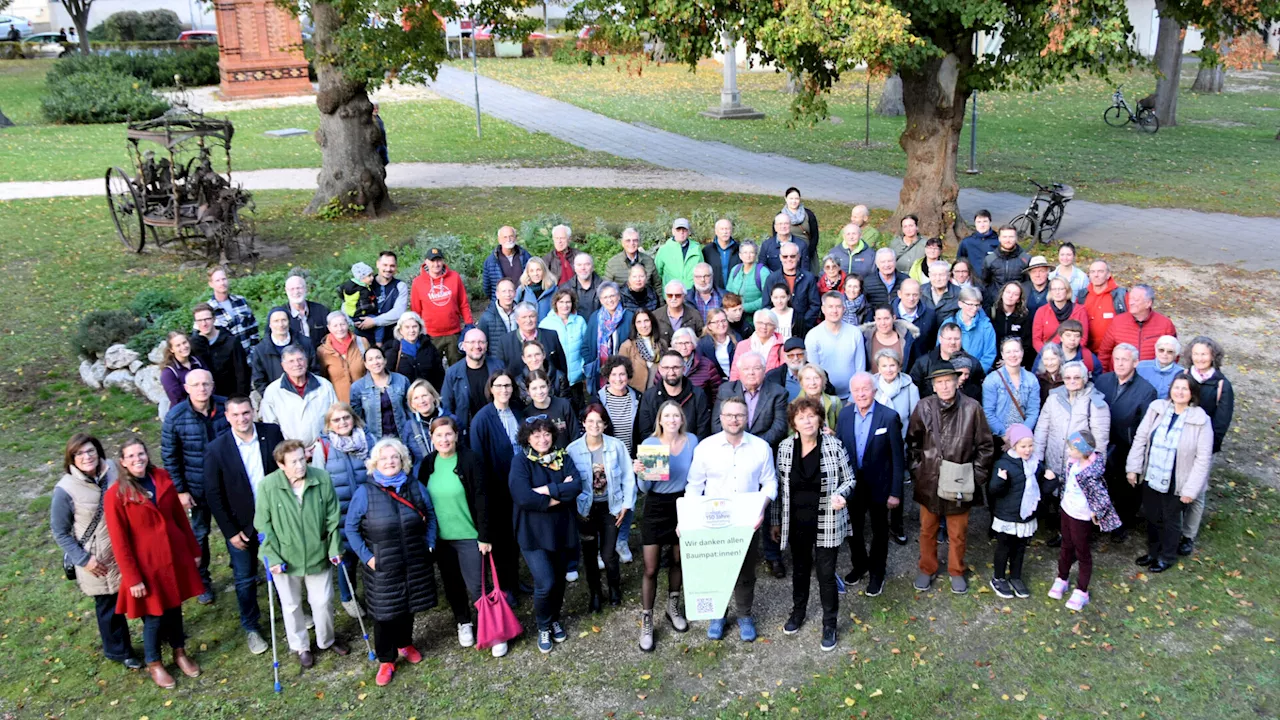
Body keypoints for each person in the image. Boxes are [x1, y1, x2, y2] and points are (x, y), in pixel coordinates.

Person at [103, 438, 203, 689]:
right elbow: (119, 541)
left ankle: (179, 652)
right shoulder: (116, 494)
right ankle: (154, 662)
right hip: (147, 565)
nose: (138, 459)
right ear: (123, 462)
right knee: (154, 616)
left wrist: (192, 548)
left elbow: (179, 517)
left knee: (175, 608)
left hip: (173, 556)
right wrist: (133, 577)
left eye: (141, 454)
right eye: (131, 456)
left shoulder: (161, 477)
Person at [685, 395, 779, 643]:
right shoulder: (705, 447)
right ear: (721, 417)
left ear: (746, 417)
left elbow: (770, 483)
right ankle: (718, 614)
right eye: (729, 415)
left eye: (739, 415)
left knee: (746, 570)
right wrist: (689, 519)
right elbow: (695, 485)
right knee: (716, 571)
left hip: (747, 520)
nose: (734, 419)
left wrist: (761, 508)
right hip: (712, 521)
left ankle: (745, 615)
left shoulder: (761, 447)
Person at [345, 438, 438, 686]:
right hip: (382, 563)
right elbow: (351, 529)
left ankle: (405, 643)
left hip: (413, 559)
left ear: (402, 461)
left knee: (408, 604)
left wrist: (429, 543)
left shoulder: (415, 486)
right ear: (376, 463)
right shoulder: (365, 492)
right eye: (384, 458)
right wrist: (368, 558)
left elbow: (430, 515)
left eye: (394, 457)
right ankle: (386, 659)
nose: (389, 462)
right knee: (384, 613)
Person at [51, 434, 142, 670]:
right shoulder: (65, 490)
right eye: (79, 453)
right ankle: (120, 651)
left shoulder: (113, 468)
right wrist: (84, 560)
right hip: (98, 559)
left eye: (90, 451)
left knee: (143, 592)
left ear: (99, 451)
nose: (86, 457)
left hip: (130, 547)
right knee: (109, 605)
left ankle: (159, 632)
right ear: (71, 458)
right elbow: (60, 532)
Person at [256, 440, 348, 667]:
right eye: (293, 461)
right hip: (284, 558)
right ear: (281, 465)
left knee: (323, 601)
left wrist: (335, 546)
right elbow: (263, 526)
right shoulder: (268, 486)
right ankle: (301, 646)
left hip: (318, 552)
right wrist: (272, 557)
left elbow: (332, 517)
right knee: (291, 605)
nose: (300, 465)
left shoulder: (321, 478)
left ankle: (326, 640)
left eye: (301, 458)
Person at [772, 396, 855, 650]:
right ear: (793, 423)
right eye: (801, 417)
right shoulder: (785, 448)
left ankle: (829, 623)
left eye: (811, 416)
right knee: (799, 570)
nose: (807, 421)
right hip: (796, 521)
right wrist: (775, 522)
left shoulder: (834, 445)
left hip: (826, 519)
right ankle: (798, 613)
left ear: (820, 418)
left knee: (826, 574)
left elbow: (849, 479)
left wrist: (841, 494)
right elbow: (779, 489)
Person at [203, 398, 284, 653]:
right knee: (245, 578)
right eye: (235, 414)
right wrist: (230, 531)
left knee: (282, 569)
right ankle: (251, 627)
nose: (242, 419)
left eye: (246, 413)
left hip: (275, 518)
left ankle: (293, 611)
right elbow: (214, 494)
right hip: (241, 526)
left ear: (254, 412)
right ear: (227, 417)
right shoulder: (217, 448)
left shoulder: (271, 433)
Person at [419, 417, 505, 656]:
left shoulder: (470, 459)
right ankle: (464, 622)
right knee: (452, 584)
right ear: (432, 438)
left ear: (456, 435)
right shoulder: (428, 464)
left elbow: (482, 499)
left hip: (470, 535)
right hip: (442, 539)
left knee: (478, 585)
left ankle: (495, 631)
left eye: (448, 434)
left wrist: (484, 536)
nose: (444, 440)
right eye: (439, 436)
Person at [906, 367, 995, 594]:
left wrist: (974, 478)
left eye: (948, 381)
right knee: (927, 530)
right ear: (933, 386)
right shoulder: (924, 406)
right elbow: (913, 443)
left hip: (960, 482)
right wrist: (919, 471)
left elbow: (985, 446)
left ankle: (956, 570)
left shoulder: (972, 408)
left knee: (957, 533)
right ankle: (927, 568)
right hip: (930, 481)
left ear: (958, 382)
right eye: (940, 382)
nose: (944, 386)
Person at [1126, 375, 1214, 574]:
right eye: (1176, 387)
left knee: (1170, 519)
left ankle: (1167, 556)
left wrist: (1190, 489)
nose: (1179, 392)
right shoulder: (1157, 409)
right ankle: (1153, 552)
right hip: (1152, 472)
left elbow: (1203, 459)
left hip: (1178, 478)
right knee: (1151, 515)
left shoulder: (1201, 420)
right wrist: (1133, 467)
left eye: (1185, 389)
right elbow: (1141, 437)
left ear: (1192, 394)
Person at [509, 418, 583, 653]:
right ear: (527, 438)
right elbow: (523, 497)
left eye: (546, 434)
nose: (543, 439)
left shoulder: (563, 458)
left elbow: (577, 486)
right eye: (536, 435)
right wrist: (560, 493)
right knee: (546, 582)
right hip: (532, 532)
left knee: (559, 581)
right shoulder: (520, 462)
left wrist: (546, 490)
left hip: (561, 529)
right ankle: (543, 625)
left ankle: (554, 619)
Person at [633, 400, 698, 651]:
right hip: (656, 506)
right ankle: (647, 618)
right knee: (650, 567)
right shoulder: (650, 445)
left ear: (682, 419)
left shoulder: (692, 441)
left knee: (678, 560)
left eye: (676, 416)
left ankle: (673, 606)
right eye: (667, 416)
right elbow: (645, 488)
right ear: (659, 420)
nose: (671, 420)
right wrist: (642, 473)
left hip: (683, 504)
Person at [160, 369, 226, 604]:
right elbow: (170, 456)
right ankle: (202, 581)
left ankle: (243, 571)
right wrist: (180, 490)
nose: (201, 389)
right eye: (196, 385)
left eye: (206, 384)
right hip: (196, 488)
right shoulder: (176, 417)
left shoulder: (226, 408)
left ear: (212, 385)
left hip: (227, 484)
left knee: (236, 529)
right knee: (200, 535)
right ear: (186, 389)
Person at [836, 373, 905, 597]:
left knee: (879, 531)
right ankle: (860, 565)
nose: (861, 394)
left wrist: (896, 492)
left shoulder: (889, 417)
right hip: (852, 486)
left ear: (874, 390)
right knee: (853, 530)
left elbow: (897, 457)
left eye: (866, 389)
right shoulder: (845, 415)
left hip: (880, 486)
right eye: (856, 390)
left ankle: (877, 573)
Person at [1033, 360, 1111, 545]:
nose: (1072, 381)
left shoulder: (1096, 402)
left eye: (1077, 377)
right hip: (1055, 458)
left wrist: (1095, 468)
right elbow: (1042, 429)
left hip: (1080, 464)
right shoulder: (1053, 398)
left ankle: (1080, 538)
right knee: (1060, 499)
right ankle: (1063, 534)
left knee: (1079, 501)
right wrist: (1037, 457)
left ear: (1084, 379)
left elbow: (1100, 440)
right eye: (1068, 377)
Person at [568, 404, 636, 611]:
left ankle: (614, 588)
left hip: (610, 507)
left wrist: (626, 505)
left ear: (605, 424)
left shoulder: (617, 446)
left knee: (608, 554)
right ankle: (595, 594)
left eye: (599, 421)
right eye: (590, 421)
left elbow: (628, 476)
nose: (594, 425)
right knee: (589, 556)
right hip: (585, 511)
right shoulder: (573, 450)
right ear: (583, 423)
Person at [309, 402, 371, 618]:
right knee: (347, 557)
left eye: (346, 417)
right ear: (329, 424)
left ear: (353, 418)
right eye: (336, 420)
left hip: (368, 505)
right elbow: (316, 480)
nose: (342, 422)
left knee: (371, 550)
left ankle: (374, 594)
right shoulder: (323, 446)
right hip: (341, 510)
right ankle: (348, 596)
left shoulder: (368, 438)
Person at [1048, 430, 1120, 611]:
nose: (1069, 451)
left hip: (1081, 515)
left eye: (1072, 449)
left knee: (1082, 551)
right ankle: (1062, 577)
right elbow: (1068, 482)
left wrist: (1097, 511)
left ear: (1084, 452)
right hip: (1066, 509)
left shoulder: (1091, 472)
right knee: (1066, 544)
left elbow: (1102, 496)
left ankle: (1082, 590)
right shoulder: (1072, 463)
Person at [1093, 344, 1157, 542]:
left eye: (1125, 360)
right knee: (1101, 485)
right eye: (1117, 359)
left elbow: (1145, 429)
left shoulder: (1147, 391)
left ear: (1135, 362)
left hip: (1126, 446)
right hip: (1101, 442)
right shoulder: (1102, 381)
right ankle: (1100, 520)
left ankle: (1121, 525)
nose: (1120, 364)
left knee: (1125, 490)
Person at [469, 371, 525, 590]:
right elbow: (479, 460)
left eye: (508, 385)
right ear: (490, 389)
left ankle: (515, 579)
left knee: (516, 535)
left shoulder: (518, 412)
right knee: (502, 539)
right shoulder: (482, 419)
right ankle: (505, 586)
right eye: (499, 385)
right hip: (497, 488)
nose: (504, 390)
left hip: (520, 483)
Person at [1180, 335, 1234, 554]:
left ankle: (1188, 535)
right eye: (1196, 354)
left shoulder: (1221, 384)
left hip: (1203, 445)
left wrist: (1208, 450)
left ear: (1213, 356)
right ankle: (1172, 527)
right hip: (1179, 442)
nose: (1200, 358)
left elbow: (1221, 422)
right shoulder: (1183, 376)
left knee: (1197, 490)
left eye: (1204, 354)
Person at [986, 424, 1044, 600]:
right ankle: (998, 577)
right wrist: (1000, 481)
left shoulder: (1036, 464)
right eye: (1023, 446)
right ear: (1014, 446)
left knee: (1020, 549)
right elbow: (994, 491)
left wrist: (1050, 480)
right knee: (1004, 547)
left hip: (1025, 516)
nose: (1027, 450)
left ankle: (1016, 577)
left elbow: (1042, 490)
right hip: (1008, 516)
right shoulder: (1003, 464)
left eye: (1030, 445)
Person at [873, 348, 916, 543]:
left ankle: (897, 525)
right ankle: (879, 524)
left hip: (901, 444)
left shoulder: (910, 388)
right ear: (878, 367)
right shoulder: (871, 385)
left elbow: (915, 419)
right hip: (876, 445)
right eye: (884, 365)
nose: (889, 369)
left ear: (899, 366)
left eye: (892, 365)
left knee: (896, 484)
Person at [260, 345, 340, 446]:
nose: (297, 364)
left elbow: (336, 417)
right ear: (283, 366)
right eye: (291, 361)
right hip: (291, 453)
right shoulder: (272, 392)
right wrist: (295, 450)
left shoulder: (324, 385)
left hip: (325, 448)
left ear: (306, 361)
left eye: (300, 359)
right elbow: (271, 428)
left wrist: (323, 446)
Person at [410, 247, 473, 364]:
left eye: (439, 260)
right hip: (431, 334)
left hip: (453, 332)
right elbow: (416, 310)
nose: (436, 264)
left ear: (443, 261)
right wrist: (417, 331)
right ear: (426, 262)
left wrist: (469, 324)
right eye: (432, 261)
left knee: (457, 364)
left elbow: (463, 303)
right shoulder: (418, 282)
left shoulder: (454, 277)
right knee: (432, 367)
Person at [714, 352, 790, 448]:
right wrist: (736, 444)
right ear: (739, 371)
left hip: (764, 448)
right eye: (746, 369)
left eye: (756, 368)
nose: (751, 373)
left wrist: (754, 446)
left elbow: (779, 427)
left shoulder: (778, 392)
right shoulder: (726, 390)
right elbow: (717, 423)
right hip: (730, 448)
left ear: (764, 370)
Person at [634, 350, 712, 439]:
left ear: (684, 369)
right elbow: (645, 433)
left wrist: (685, 450)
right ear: (660, 369)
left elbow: (703, 431)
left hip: (690, 450)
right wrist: (666, 451)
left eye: (675, 367)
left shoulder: (698, 395)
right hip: (658, 451)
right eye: (666, 368)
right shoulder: (649, 396)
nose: (671, 372)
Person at [1098, 285, 1178, 371]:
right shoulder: (1118, 322)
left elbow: (1173, 355)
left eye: (1136, 300)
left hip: (1151, 379)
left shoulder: (1165, 325)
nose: (1130, 302)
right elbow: (1104, 353)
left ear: (1148, 303)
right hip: (1121, 378)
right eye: (1130, 299)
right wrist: (1105, 377)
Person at [804, 292, 866, 401]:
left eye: (838, 306)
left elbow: (860, 369)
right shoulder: (813, 336)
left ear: (844, 308)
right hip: (824, 398)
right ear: (823, 309)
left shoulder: (855, 333)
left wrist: (853, 399)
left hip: (852, 397)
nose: (834, 311)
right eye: (830, 307)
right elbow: (813, 372)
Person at [983, 337, 1043, 448]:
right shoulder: (992, 380)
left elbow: (1033, 411)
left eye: (1016, 351)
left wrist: (1020, 437)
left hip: (1024, 439)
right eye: (1008, 352)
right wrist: (1005, 436)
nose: (1013, 355)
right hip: (999, 437)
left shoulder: (1031, 379)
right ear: (1002, 355)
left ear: (1022, 352)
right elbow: (988, 412)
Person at [440, 329, 501, 437]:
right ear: (463, 346)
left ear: (486, 345)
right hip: (467, 431)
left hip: (497, 427)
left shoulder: (498, 367)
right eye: (472, 342)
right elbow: (446, 405)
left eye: (481, 342)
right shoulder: (453, 373)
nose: (477, 346)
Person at [349, 346, 410, 443]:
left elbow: (410, 410)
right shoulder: (357, 387)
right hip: (375, 440)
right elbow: (357, 418)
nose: (375, 362)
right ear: (365, 364)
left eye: (378, 357)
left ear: (385, 360)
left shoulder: (401, 380)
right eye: (370, 359)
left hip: (403, 436)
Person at [909, 322, 984, 400]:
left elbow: (979, 392)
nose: (953, 342)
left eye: (956, 339)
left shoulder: (973, 363)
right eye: (949, 339)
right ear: (940, 339)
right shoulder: (923, 363)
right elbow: (913, 391)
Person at [250, 308, 317, 394]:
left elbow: (315, 369)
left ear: (289, 321)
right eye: (276, 321)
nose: (280, 324)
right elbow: (259, 380)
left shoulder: (305, 343)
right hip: (277, 398)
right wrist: (273, 398)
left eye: (284, 320)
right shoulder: (260, 350)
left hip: (306, 393)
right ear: (270, 324)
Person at [540, 289, 590, 402]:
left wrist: (583, 367)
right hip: (557, 379)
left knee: (579, 410)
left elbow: (586, 346)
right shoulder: (546, 323)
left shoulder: (580, 321)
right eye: (561, 302)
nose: (565, 305)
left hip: (577, 378)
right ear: (555, 304)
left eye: (568, 302)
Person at [189, 302, 248, 399]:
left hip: (230, 396)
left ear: (214, 319)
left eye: (207, 319)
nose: (204, 324)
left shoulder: (231, 341)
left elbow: (242, 373)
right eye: (199, 320)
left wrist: (241, 398)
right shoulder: (193, 345)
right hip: (204, 398)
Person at [497, 302, 568, 379]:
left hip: (550, 386)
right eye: (524, 317)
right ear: (516, 320)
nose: (528, 320)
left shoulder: (551, 336)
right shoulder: (505, 341)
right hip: (518, 388)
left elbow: (562, 365)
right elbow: (501, 370)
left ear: (537, 317)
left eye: (532, 316)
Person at [585, 281, 633, 390]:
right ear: (601, 300)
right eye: (605, 297)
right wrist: (591, 362)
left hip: (622, 374)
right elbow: (586, 345)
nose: (609, 300)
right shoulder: (595, 317)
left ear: (619, 297)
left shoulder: (629, 317)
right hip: (599, 372)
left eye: (612, 296)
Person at [765, 241, 822, 333]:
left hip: (803, 328)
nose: (789, 259)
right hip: (777, 328)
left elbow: (815, 305)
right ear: (780, 257)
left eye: (792, 256)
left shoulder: (809, 278)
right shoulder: (772, 278)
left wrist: (802, 324)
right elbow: (766, 305)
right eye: (785, 256)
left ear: (798, 257)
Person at [315, 311, 369, 403]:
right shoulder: (322, 351)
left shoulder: (362, 342)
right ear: (329, 328)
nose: (340, 328)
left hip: (366, 400)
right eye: (335, 326)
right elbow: (323, 379)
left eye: (342, 324)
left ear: (347, 324)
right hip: (340, 404)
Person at [383, 311, 445, 390]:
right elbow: (387, 378)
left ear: (420, 328)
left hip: (426, 394)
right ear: (400, 330)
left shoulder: (429, 347)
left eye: (414, 326)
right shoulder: (393, 350)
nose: (411, 330)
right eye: (407, 327)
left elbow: (439, 374)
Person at [400, 379, 449, 477]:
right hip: (422, 479)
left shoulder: (451, 421)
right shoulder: (409, 427)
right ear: (412, 404)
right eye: (416, 398)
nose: (421, 401)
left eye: (424, 396)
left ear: (434, 397)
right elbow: (407, 458)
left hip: (450, 473)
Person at [206, 266, 259, 355]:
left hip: (250, 357)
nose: (222, 283)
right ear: (211, 284)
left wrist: (255, 352)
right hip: (228, 362)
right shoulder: (208, 309)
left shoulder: (241, 301)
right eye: (217, 280)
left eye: (224, 279)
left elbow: (253, 328)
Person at [1078, 260, 1127, 353]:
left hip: (1114, 352)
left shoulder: (1120, 295)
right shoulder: (1082, 295)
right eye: (1092, 272)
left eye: (1100, 271)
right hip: (1087, 351)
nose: (1096, 275)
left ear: (1108, 274)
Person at [1032, 277, 1090, 352]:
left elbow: (1083, 338)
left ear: (1067, 290)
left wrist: (1069, 354)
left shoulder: (1079, 310)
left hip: (1072, 354)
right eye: (1054, 289)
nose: (1057, 292)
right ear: (1050, 292)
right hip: (1049, 356)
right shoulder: (1042, 311)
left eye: (1061, 289)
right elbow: (1036, 340)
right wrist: (1046, 354)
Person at [365, 253, 410, 347]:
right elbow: (349, 304)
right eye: (385, 265)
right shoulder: (365, 284)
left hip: (392, 337)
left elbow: (398, 312)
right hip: (366, 336)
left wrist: (374, 321)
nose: (388, 269)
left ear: (396, 267)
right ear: (378, 264)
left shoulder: (400, 286)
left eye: (392, 266)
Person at [273, 272, 331, 345]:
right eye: (292, 289)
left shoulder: (321, 310)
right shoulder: (279, 315)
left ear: (306, 288)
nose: (296, 292)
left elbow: (333, 335)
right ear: (286, 291)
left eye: (299, 288)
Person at [948, 286, 997, 372]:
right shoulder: (949, 324)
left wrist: (975, 373)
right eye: (970, 304)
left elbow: (989, 355)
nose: (974, 309)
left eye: (977, 305)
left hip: (977, 376)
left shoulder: (986, 326)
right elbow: (942, 351)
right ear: (960, 304)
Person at [980, 226, 1029, 309]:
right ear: (999, 238)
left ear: (1016, 238)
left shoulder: (1025, 259)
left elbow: (1027, 282)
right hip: (995, 303)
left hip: (1017, 303)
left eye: (1011, 237)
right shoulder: (990, 259)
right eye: (1004, 237)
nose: (1008, 240)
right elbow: (985, 281)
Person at [599, 355, 641, 452]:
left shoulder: (639, 398)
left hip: (633, 459)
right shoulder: (598, 400)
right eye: (613, 374)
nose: (618, 379)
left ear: (628, 375)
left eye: (622, 374)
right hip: (607, 459)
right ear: (608, 377)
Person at [513, 340, 571, 408]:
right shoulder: (518, 382)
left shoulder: (559, 377)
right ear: (524, 359)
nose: (534, 359)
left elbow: (566, 404)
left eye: (537, 354)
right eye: (529, 356)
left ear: (544, 355)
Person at [616, 309, 663, 391]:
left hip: (659, 393)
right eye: (639, 322)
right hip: (637, 394)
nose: (643, 325)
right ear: (635, 325)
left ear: (652, 322)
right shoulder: (627, 346)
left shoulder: (662, 344)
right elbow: (621, 373)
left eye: (646, 321)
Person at [729, 309, 784, 380]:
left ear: (775, 327)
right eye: (760, 323)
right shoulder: (742, 345)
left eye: (769, 324)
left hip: (772, 388)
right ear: (755, 324)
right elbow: (735, 372)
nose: (764, 327)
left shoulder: (781, 347)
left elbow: (784, 374)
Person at [991, 281, 1034, 370]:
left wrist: (1009, 360)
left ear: (1019, 299)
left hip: (1017, 362)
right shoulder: (991, 313)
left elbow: (1027, 344)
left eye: (1015, 294)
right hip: (995, 362)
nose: (1010, 296)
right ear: (1002, 294)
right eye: (1008, 292)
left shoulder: (1024, 317)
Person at [159, 331, 209, 408]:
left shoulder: (199, 362)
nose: (183, 347)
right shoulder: (168, 372)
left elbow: (210, 384)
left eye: (184, 343)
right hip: (185, 411)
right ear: (172, 350)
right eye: (178, 345)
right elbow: (177, 400)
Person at [606, 227, 661, 294]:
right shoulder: (613, 264)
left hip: (646, 302)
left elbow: (657, 286)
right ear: (622, 243)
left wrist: (662, 304)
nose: (632, 243)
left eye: (635, 240)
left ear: (639, 242)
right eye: (628, 240)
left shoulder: (649, 261)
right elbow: (606, 289)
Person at [482, 226, 531, 301]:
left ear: (515, 238)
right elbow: (487, 287)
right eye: (505, 237)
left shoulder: (525, 256)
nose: (508, 239)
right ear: (499, 240)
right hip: (502, 304)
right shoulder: (491, 261)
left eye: (511, 236)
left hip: (523, 301)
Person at [476, 279, 519, 364]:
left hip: (519, 360)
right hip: (497, 363)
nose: (508, 294)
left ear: (515, 293)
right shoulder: (487, 317)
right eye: (504, 291)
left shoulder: (521, 313)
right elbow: (482, 344)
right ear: (497, 294)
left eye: (510, 291)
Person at [671, 327, 721, 399]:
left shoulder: (707, 365)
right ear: (674, 345)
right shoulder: (666, 364)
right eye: (680, 343)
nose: (684, 347)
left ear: (693, 345)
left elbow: (717, 393)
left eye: (687, 343)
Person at [654, 217, 701, 289]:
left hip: (692, 295)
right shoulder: (664, 250)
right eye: (678, 229)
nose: (681, 232)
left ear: (689, 232)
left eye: (684, 229)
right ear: (673, 231)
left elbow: (702, 271)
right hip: (671, 295)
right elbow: (657, 275)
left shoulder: (696, 249)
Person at [654, 279, 705, 345]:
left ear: (684, 296)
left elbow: (701, 339)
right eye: (670, 295)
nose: (673, 298)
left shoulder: (695, 315)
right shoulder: (655, 315)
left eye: (677, 295)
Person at [726, 240, 770, 314]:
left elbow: (767, 298)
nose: (748, 255)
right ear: (740, 255)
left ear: (756, 255)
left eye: (751, 252)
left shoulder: (763, 272)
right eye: (745, 252)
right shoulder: (735, 270)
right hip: (736, 316)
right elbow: (728, 293)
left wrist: (744, 307)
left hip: (757, 317)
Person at [892, 278, 937, 351]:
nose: (911, 298)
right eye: (907, 294)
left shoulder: (930, 315)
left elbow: (932, 344)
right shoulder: (888, 314)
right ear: (899, 294)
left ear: (920, 294)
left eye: (915, 295)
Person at [781, 187, 820, 269]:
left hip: (808, 253)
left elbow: (815, 236)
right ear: (785, 199)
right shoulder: (780, 216)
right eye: (791, 198)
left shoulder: (809, 214)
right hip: (788, 255)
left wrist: (808, 253)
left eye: (796, 198)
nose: (794, 201)